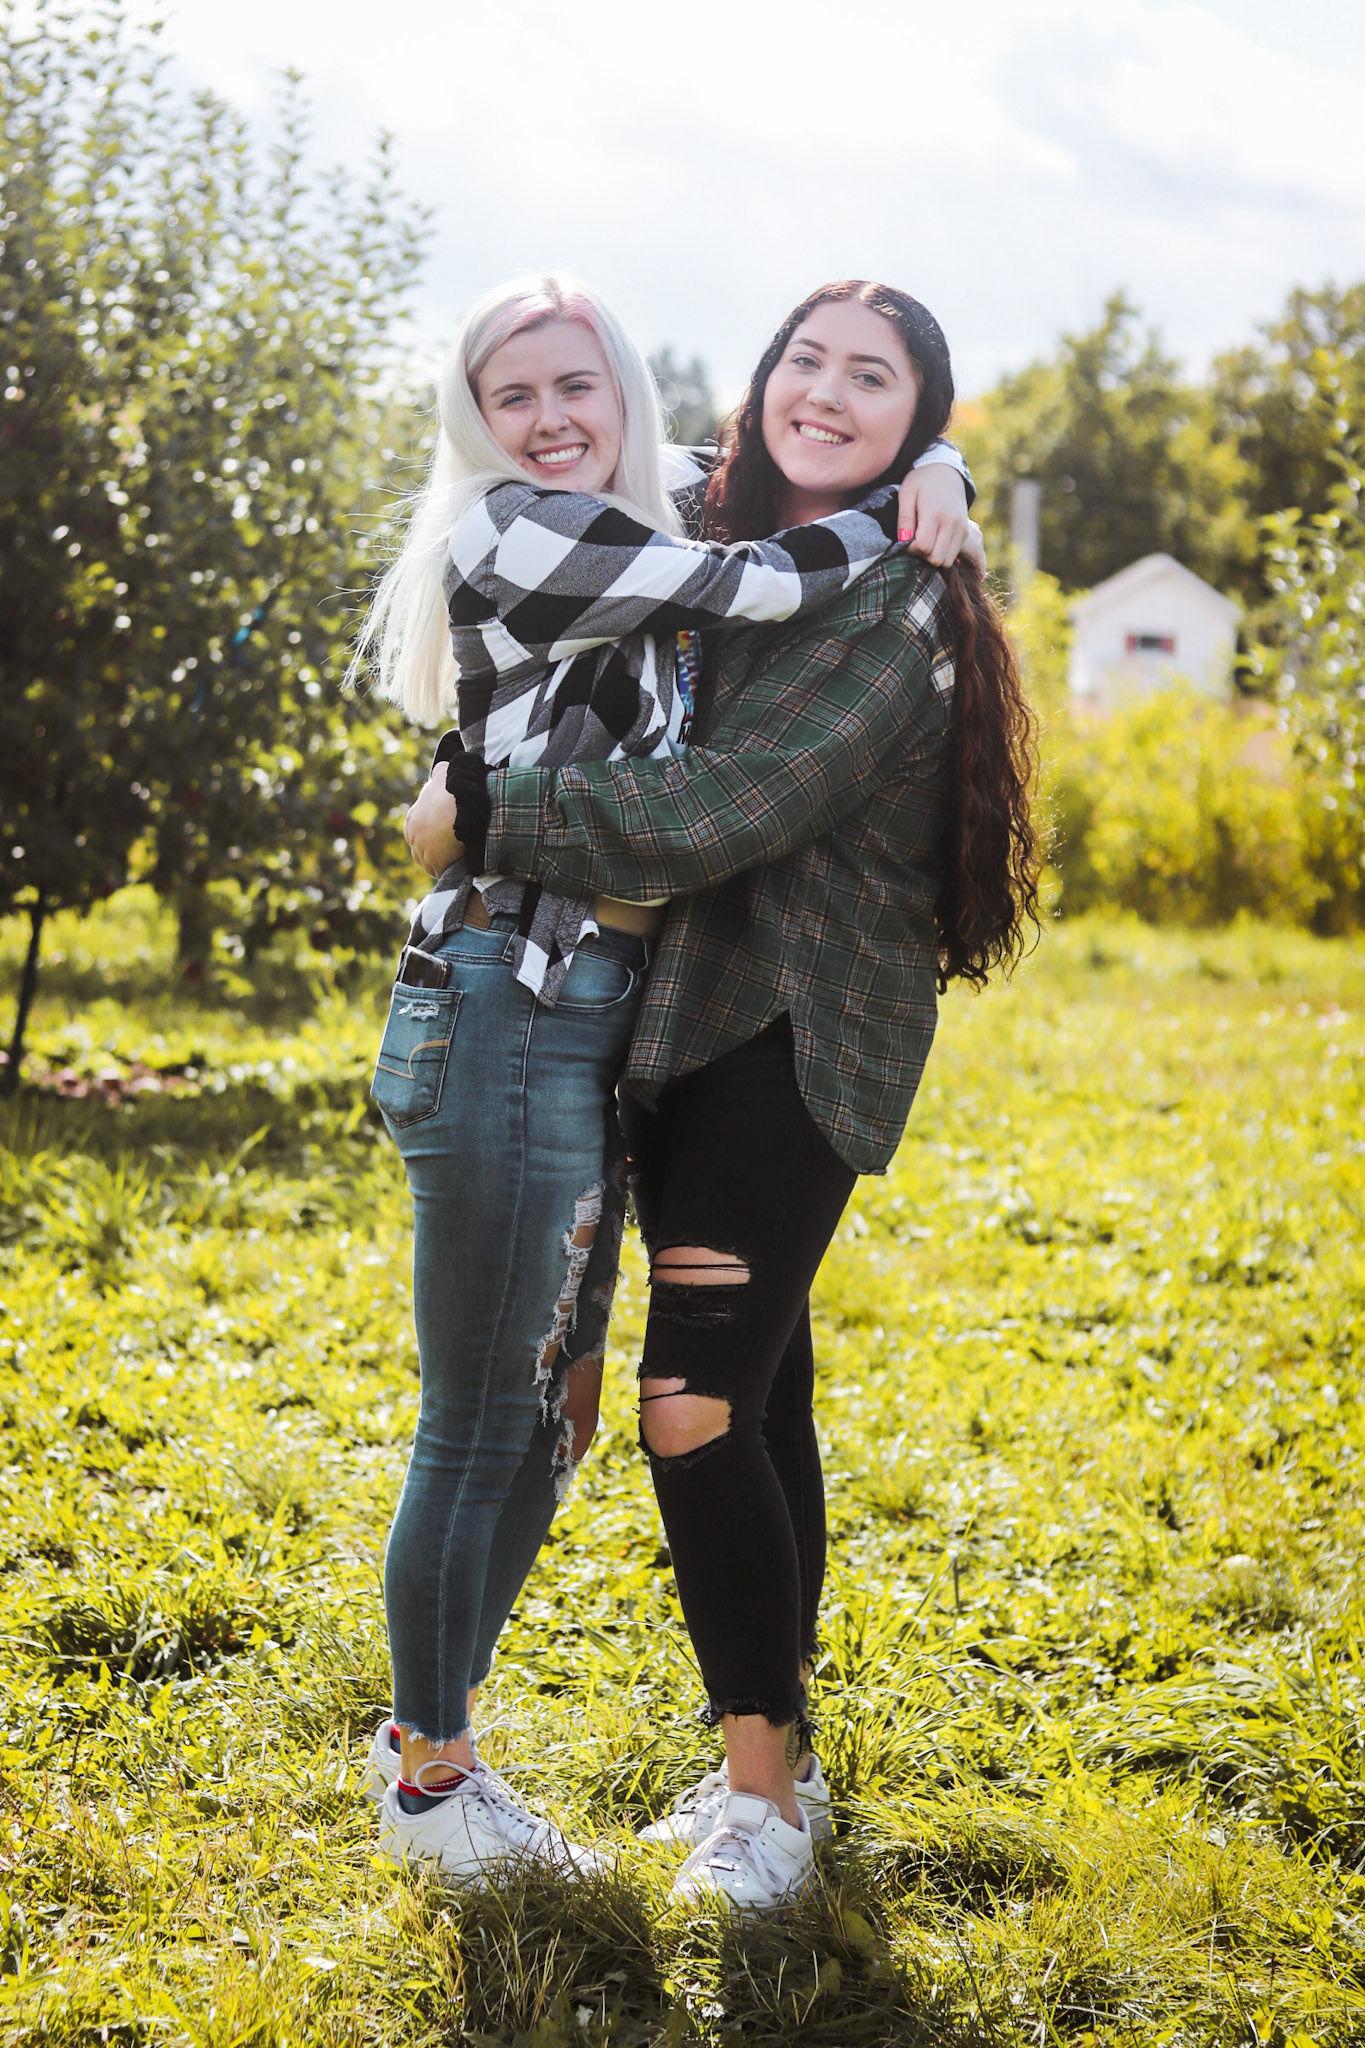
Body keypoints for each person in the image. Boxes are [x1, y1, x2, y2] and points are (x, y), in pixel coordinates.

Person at [405, 279, 1040, 1912]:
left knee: (688, 1408)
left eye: (874, 381)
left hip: (795, 1033)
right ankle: (782, 1756)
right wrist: (944, 462)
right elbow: (606, 456)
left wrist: (485, 813)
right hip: (668, 1028)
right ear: (757, 382)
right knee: (760, 1401)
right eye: (803, 361)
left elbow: (724, 806)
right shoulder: (705, 523)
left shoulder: (896, 602)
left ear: (912, 413)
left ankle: (761, 1806)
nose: (827, 394)